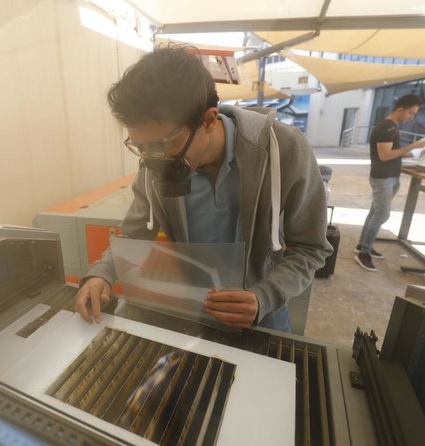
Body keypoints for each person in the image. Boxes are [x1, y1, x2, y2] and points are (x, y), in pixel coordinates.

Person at [75, 45, 332, 332]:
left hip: (264, 315)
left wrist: (264, 297)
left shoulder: (283, 150)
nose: (152, 158)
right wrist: (102, 273)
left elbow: (311, 248)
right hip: (197, 310)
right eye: (140, 146)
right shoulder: (154, 162)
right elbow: (135, 233)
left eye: (162, 144)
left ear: (208, 120)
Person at [355, 94, 425, 272]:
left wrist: (415, 152)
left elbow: (393, 152)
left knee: (375, 212)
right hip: (382, 177)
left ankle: (363, 246)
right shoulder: (386, 128)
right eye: (411, 113)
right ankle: (364, 252)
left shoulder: (392, 127)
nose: (411, 117)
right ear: (400, 109)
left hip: (390, 176)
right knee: (382, 214)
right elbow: (385, 155)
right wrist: (413, 146)